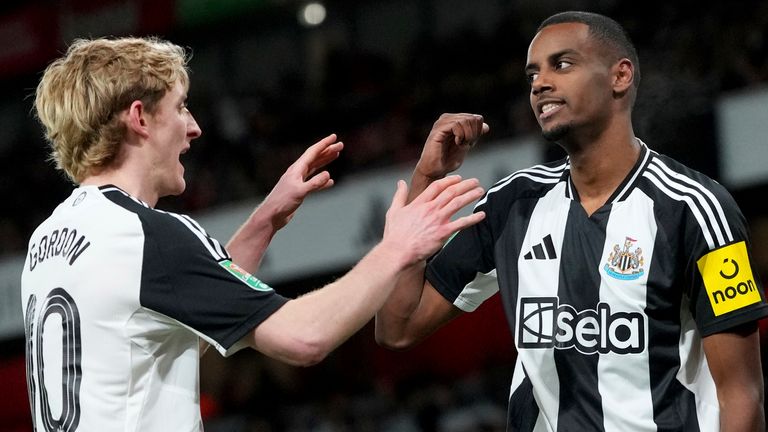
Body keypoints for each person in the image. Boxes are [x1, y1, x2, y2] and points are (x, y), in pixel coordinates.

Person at [21, 36, 486, 431]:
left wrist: (267, 220)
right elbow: (305, 337)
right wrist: (396, 248)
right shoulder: (147, 235)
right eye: (180, 107)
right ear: (139, 118)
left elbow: (169, 332)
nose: (194, 127)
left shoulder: (47, 242)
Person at [375, 11, 767, 431]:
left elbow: (741, 393)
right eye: (532, 75)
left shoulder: (696, 209)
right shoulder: (513, 206)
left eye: (562, 64)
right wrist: (425, 178)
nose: (540, 83)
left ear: (620, 76)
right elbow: (396, 328)